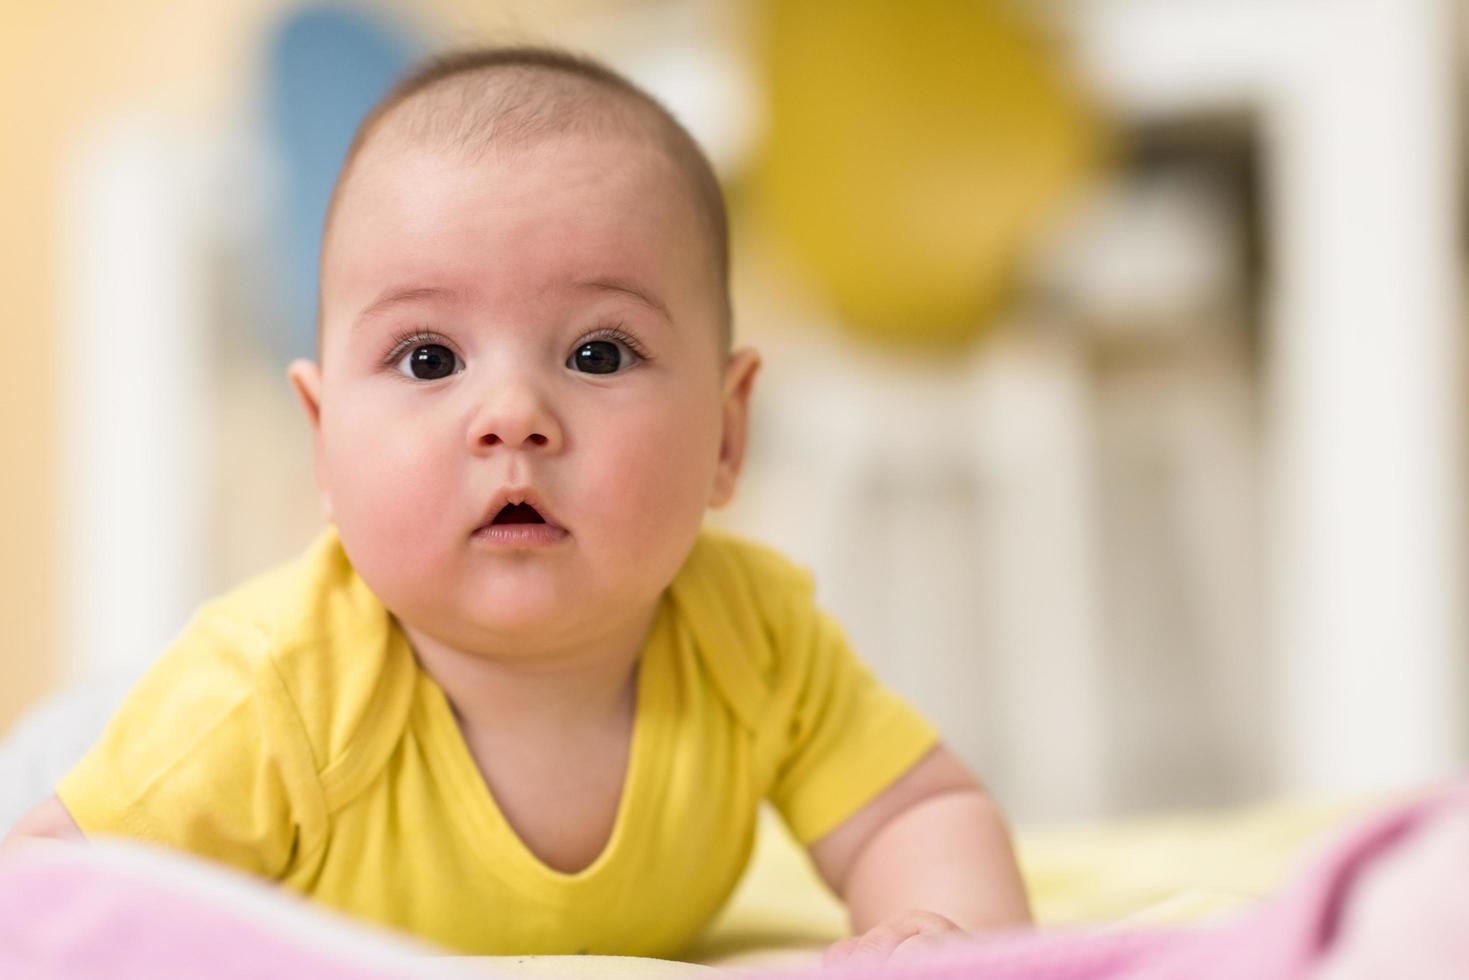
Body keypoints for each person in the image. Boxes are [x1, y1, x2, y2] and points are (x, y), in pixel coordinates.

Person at [1, 46, 1030, 960]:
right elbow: (44, 897)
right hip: (89, 762)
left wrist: (942, 935)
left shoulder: (752, 640)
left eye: (596, 352)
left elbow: (916, 808)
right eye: (428, 356)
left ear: (725, 433)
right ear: (323, 441)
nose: (511, 416)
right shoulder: (264, 697)